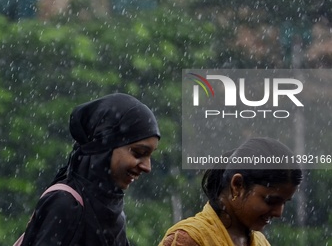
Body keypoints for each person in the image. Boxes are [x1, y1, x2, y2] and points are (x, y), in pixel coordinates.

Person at [19, 93, 160, 246]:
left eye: (150, 156)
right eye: (138, 153)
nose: (147, 167)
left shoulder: (112, 214)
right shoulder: (66, 204)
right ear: (105, 147)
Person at [158, 137, 303, 246]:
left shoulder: (261, 242)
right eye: (271, 201)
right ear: (237, 185)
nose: (279, 213)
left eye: (284, 203)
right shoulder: (188, 239)